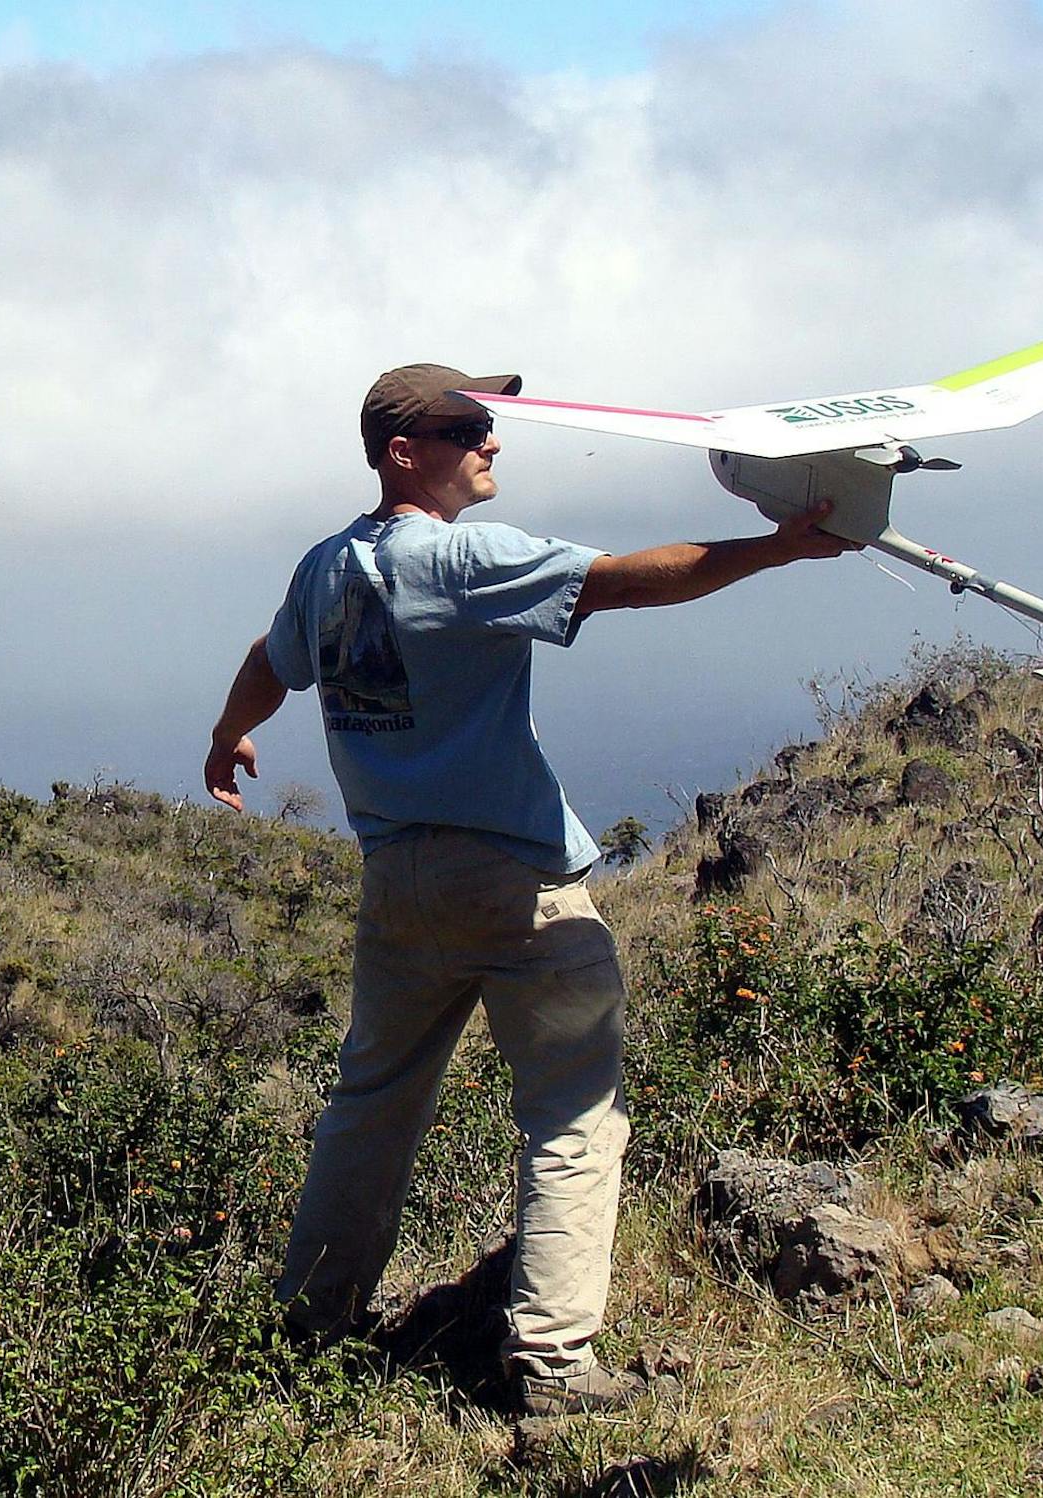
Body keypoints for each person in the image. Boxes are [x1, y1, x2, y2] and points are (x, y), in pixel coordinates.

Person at [203, 362, 856, 1415]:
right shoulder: (461, 559)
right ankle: (552, 1363)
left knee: (369, 1110)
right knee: (575, 1114)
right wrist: (780, 547)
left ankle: (306, 1329)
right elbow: (629, 578)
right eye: (468, 424)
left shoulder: (326, 567)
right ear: (402, 451)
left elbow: (271, 660)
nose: (491, 440)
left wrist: (229, 732)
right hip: (512, 880)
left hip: (398, 882)